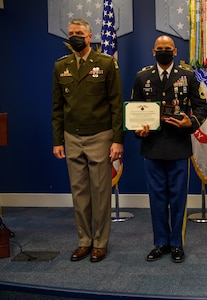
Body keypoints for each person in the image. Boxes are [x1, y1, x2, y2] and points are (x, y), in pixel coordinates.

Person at [131, 35, 207, 263]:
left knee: (177, 199)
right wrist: (137, 128)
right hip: (152, 146)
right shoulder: (142, 76)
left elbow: (202, 107)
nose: (164, 51)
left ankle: (176, 243)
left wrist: (191, 123)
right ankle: (160, 242)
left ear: (175, 52)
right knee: (156, 199)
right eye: (160, 48)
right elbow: (134, 108)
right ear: (153, 52)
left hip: (178, 146)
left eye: (168, 48)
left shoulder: (188, 76)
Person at [52, 18, 124, 263]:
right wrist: (57, 141)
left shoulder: (105, 63)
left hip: (100, 136)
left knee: (100, 192)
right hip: (72, 136)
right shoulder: (61, 65)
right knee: (79, 193)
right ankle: (84, 241)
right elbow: (57, 107)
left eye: (79, 32)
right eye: (71, 32)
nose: (75, 36)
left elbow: (116, 104)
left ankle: (100, 243)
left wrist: (117, 140)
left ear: (90, 35)